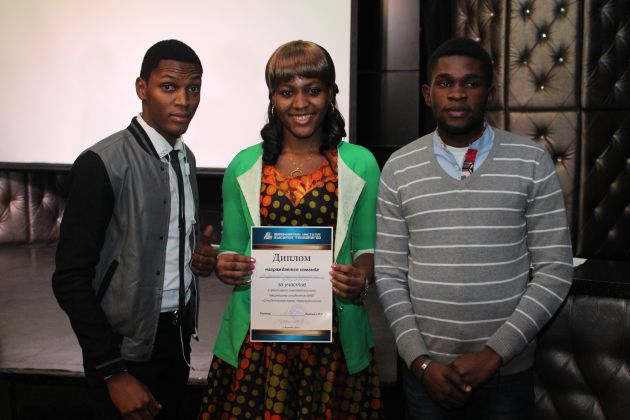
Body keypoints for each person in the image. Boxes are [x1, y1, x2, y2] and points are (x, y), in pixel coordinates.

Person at [375, 37, 573, 419]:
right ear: (427, 94)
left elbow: (555, 270)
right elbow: (388, 273)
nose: (457, 93)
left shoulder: (532, 162)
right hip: (425, 375)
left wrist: (494, 354)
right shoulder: (399, 168)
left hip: (505, 375)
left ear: (489, 93)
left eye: (471, 82)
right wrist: (420, 362)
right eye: (445, 83)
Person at [199, 40, 384, 419]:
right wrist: (225, 265)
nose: (300, 103)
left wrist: (361, 277)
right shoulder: (244, 165)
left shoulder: (360, 163)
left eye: (313, 90)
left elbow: (368, 249)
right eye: (286, 92)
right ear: (272, 97)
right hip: (258, 342)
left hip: (333, 341)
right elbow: (233, 248)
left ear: (331, 93)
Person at [52, 39, 217, 419]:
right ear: (142, 88)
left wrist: (197, 260)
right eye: (169, 86)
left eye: (193, 88)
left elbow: (161, 247)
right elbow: (70, 278)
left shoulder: (185, 157)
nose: (184, 100)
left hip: (175, 342)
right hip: (121, 353)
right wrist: (112, 372)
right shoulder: (101, 163)